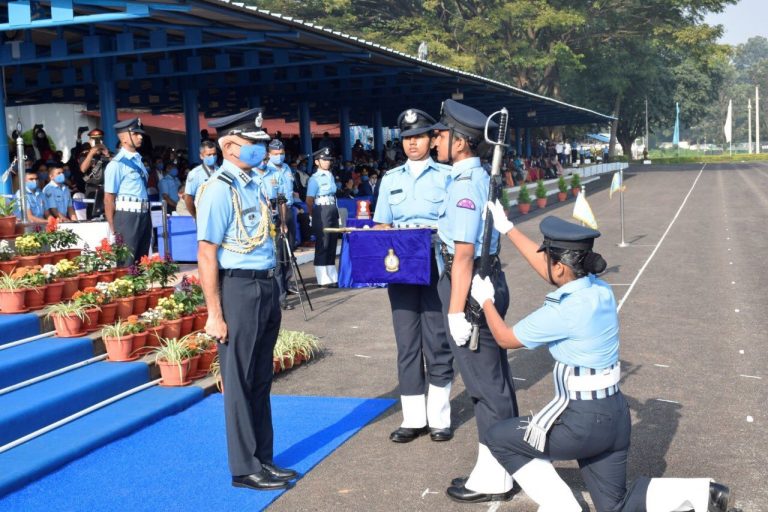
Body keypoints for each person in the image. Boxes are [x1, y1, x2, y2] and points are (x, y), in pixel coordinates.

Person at [472, 210, 736, 512]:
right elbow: (552, 272)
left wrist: (486, 301)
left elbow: (505, 338)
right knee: (614, 506)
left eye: (549, 259)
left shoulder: (563, 310)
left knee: (500, 437)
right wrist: (508, 230)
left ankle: (562, 507)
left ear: (560, 267)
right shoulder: (601, 290)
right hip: (614, 419)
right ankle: (704, 493)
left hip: (581, 424)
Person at [196, 107, 297, 492]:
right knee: (239, 380)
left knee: (260, 377)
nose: (261, 148)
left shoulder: (255, 183)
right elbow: (207, 253)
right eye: (254, 143)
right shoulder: (219, 188)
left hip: (266, 283)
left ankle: (263, 458)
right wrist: (214, 314)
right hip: (238, 287)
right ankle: (243, 467)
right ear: (231, 146)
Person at [433, 99, 518, 503]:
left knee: (487, 387)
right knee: (493, 381)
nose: (434, 140)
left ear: (461, 143)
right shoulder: (469, 176)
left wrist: (454, 312)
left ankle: (497, 474)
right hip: (477, 281)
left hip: (468, 287)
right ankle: (498, 466)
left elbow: (464, 253)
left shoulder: (466, 183)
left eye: (440, 134)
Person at [373, 108, 454, 443]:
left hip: (436, 266)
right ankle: (413, 418)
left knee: (436, 342)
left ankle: (438, 418)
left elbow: (454, 225)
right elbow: (381, 225)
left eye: (419, 137)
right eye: (407, 138)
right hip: (402, 270)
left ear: (431, 139)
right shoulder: (390, 180)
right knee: (407, 343)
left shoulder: (447, 177)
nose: (412, 144)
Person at [103, 118, 152, 266]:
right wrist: (113, 229)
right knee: (127, 262)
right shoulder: (116, 164)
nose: (140, 136)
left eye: (140, 133)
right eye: (136, 133)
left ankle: (139, 289)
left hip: (143, 214)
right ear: (124, 138)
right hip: (127, 217)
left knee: (141, 261)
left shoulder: (138, 159)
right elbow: (109, 198)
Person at [266, 139, 298, 309]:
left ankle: (288, 283)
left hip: (289, 210)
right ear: (269, 154)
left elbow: (287, 194)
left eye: (281, 153)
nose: (279, 156)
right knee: (278, 256)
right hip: (274, 216)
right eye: (276, 154)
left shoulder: (286, 168)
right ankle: (280, 296)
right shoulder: (267, 171)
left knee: (289, 250)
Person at [306, 147, 339, 288]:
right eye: (324, 160)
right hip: (321, 209)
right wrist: (312, 215)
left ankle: (332, 275)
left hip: (332, 208)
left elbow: (334, 195)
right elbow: (309, 199)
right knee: (323, 243)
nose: (327, 162)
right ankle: (322, 277)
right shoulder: (314, 179)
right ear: (317, 162)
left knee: (332, 242)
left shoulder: (330, 175)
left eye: (328, 160)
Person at [79, 128, 111, 219]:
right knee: (92, 216)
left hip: (107, 188)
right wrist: (91, 153)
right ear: (89, 140)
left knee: (108, 216)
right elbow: (83, 169)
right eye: (94, 139)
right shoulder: (84, 154)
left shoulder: (109, 153)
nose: (98, 142)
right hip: (92, 189)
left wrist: (107, 155)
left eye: (100, 139)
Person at [184, 140, 218, 219]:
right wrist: (196, 216)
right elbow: (188, 198)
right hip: (204, 215)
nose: (212, 157)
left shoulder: (220, 170)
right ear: (201, 156)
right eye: (209, 155)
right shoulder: (195, 174)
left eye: (214, 154)